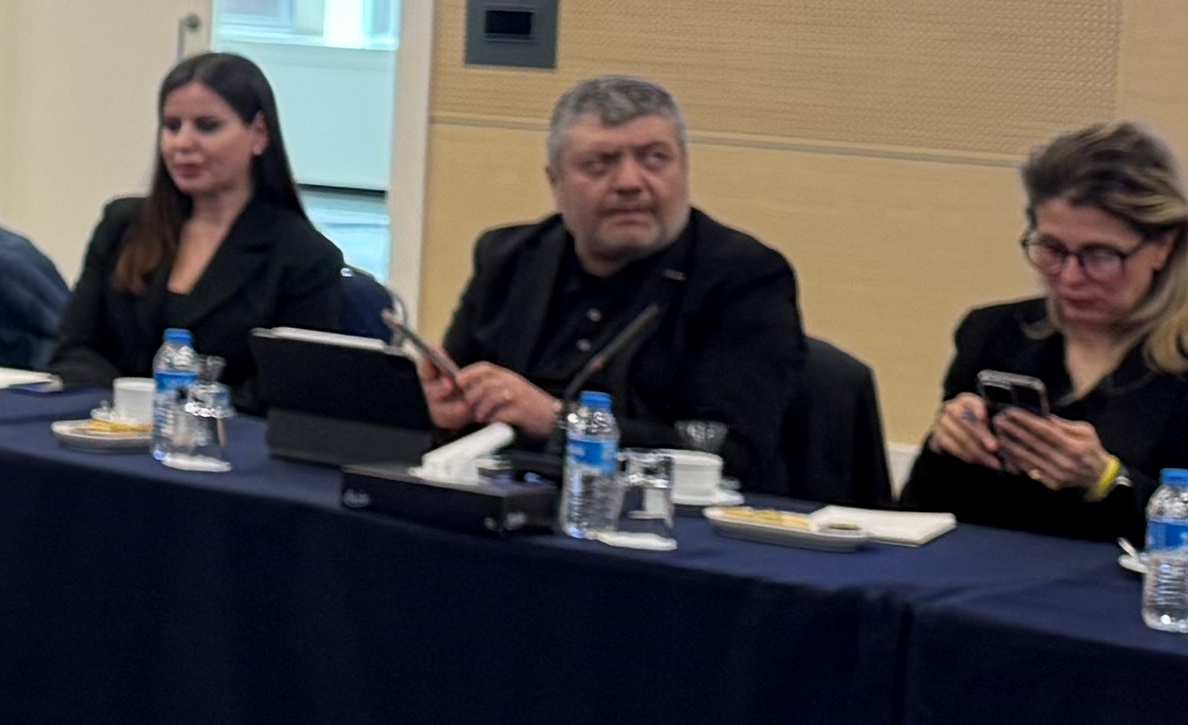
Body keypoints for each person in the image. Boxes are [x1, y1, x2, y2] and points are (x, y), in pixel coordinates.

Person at [428, 72, 812, 495]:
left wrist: (561, 423)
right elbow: (460, 404)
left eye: (655, 159)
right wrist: (449, 412)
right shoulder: (510, 258)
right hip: (508, 502)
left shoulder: (745, 276)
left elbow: (732, 454)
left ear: (684, 169)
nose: (630, 183)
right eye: (600, 163)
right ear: (556, 183)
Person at [908, 120, 1188, 543]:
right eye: (1052, 249)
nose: (1070, 277)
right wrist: (945, 446)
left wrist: (1109, 481)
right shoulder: (993, 334)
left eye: (1101, 255)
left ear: (1163, 246)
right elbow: (915, 515)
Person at [46, 49, 361, 388]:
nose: (183, 143)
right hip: (109, 414)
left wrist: (178, 409)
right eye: (172, 126)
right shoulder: (123, 224)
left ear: (258, 133)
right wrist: (131, 405)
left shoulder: (304, 257)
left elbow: (288, 389)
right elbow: (75, 351)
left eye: (207, 126)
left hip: (225, 421)